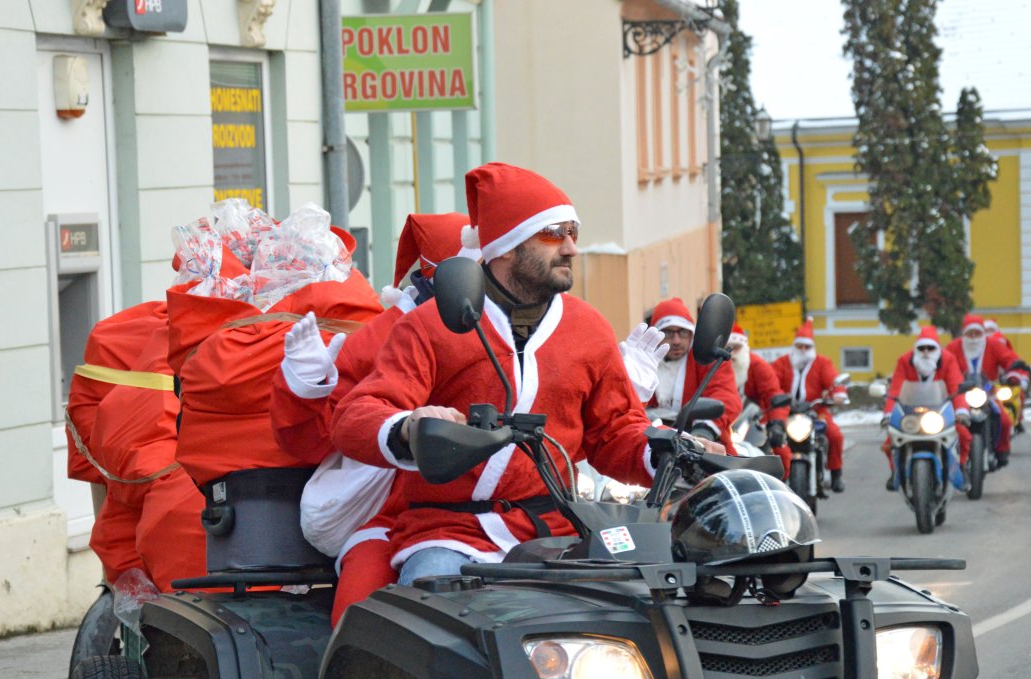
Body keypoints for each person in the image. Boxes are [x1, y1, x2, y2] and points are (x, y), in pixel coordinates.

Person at [331, 162, 687, 586]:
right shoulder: (432, 324)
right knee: (433, 608)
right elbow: (357, 415)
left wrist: (665, 451)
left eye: (573, 233)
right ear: (505, 247)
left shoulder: (589, 328)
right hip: (451, 536)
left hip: (559, 534)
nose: (571, 248)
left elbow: (613, 431)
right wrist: (409, 427)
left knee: (641, 611)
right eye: (554, 234)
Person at [272, 212, 474, 624]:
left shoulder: (519, 331)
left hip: (506, 515)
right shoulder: (382, 338)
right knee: (360, 612)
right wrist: (307, 387)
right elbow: (315, 438)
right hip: (394, 515)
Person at [644, 297, 741, 450]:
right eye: (668, 332)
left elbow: (725, 396)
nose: (676, 341)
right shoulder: (644, 361)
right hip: (653, 447)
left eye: (682, 332)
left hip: (706, 444)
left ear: (692, 334)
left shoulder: (709, 357)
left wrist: (703, 431)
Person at [880, 326, 970, 491]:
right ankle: (895, 471)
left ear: (938, 349)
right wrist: (888, 414)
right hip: (910, 413)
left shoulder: (948, 359)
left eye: (931, 348)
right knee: (889, 441)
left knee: (963, 434)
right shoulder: (904, 360)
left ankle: (962, 468)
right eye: (922, 348)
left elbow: (956, 388)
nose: (926, 352)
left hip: (940, 412)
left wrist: (962, 412)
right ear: (916, 349)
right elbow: (895, 391)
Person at [770, 319, 849, 492]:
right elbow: (770, 382)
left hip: (816, 410)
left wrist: (838, 394)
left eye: (807, 347)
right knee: (770, 436)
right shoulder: (782, 363)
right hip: (786, 411)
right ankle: (773, 477)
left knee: (835, 436)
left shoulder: (822, 363)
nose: (803, 351)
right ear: (794, 347)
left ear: (812, 348)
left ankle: (836, 474)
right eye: (800, 347)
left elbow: (833, 381)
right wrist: (772, 398)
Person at [943, 314, 1027, 467]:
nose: (974, 337)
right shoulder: (953, 347)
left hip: (988, 392)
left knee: (1005, 421)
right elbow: (942, 364)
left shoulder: (994, 345)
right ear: (964, 333)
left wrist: (1015, 374)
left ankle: (1002, 451)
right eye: (970, 333)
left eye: (978, 333)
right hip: (960, 395)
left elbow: (1010, 359)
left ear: (983, 333)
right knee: (945, 421)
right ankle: (944, 452)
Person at [727, 323, 792, 475]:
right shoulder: (714, 366)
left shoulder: (758, 366)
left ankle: (781, 490)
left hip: (757, 423)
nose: (732, 354)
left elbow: (773, 394)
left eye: (736, 348)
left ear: (745, 348)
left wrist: (776, 424)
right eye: (727, 348)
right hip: (724, 425)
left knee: (780, 453)